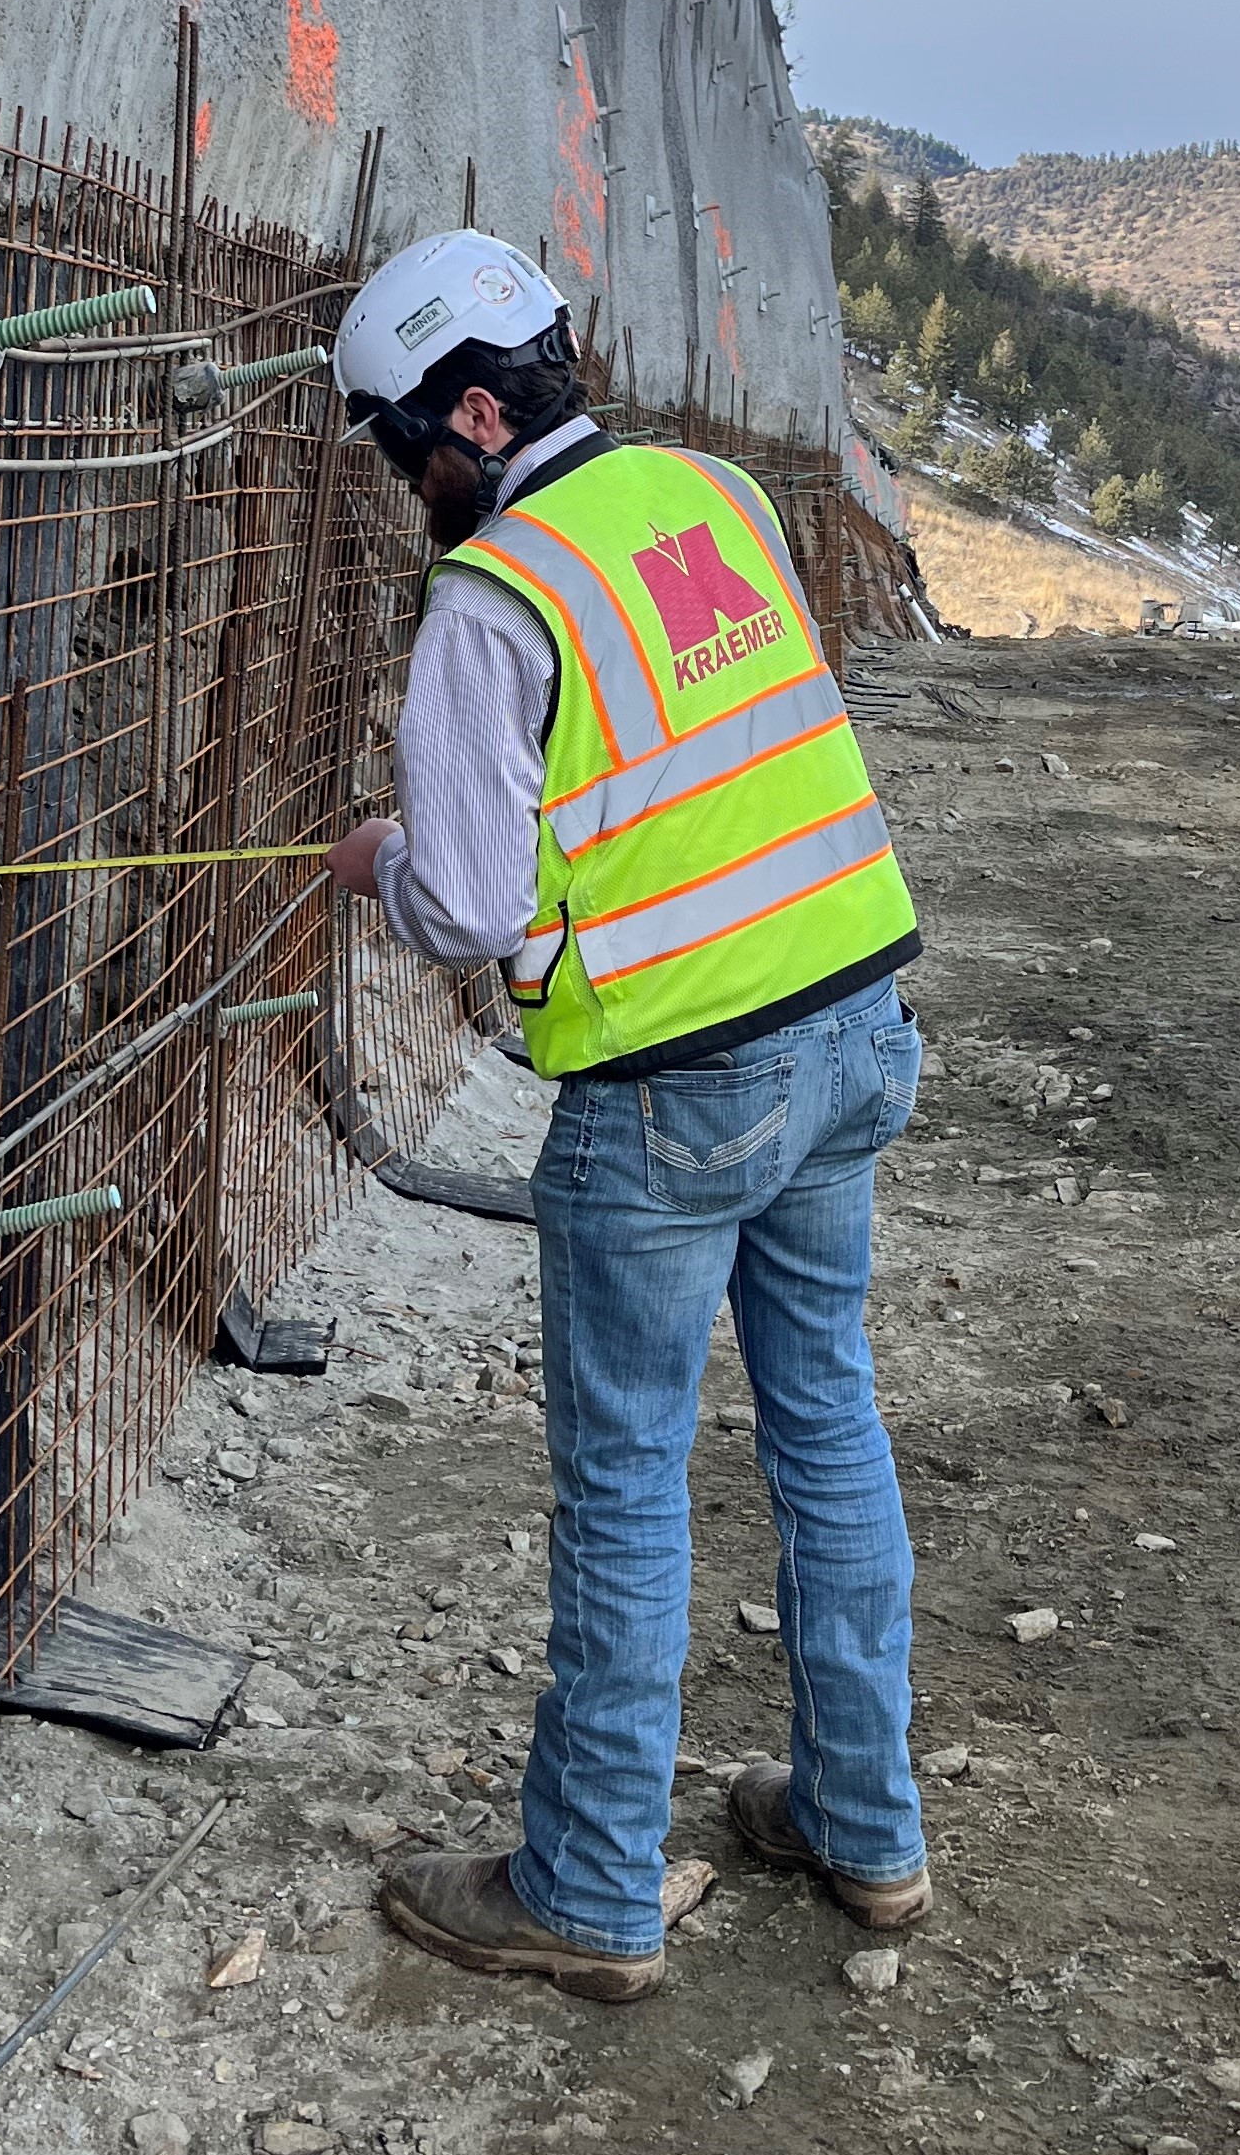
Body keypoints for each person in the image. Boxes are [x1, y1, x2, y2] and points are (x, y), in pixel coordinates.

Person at [324, 229, 929, 2005]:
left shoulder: (495, 593)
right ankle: (864, 1825)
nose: (401, 485)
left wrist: (382, 865)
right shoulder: (715, 499)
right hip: (849, 1031)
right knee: (826, 1428)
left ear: (480, 410)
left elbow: (466, 902)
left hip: (673, 1094)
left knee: (625, 1491)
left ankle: (589, 1885)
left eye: (400, 447)